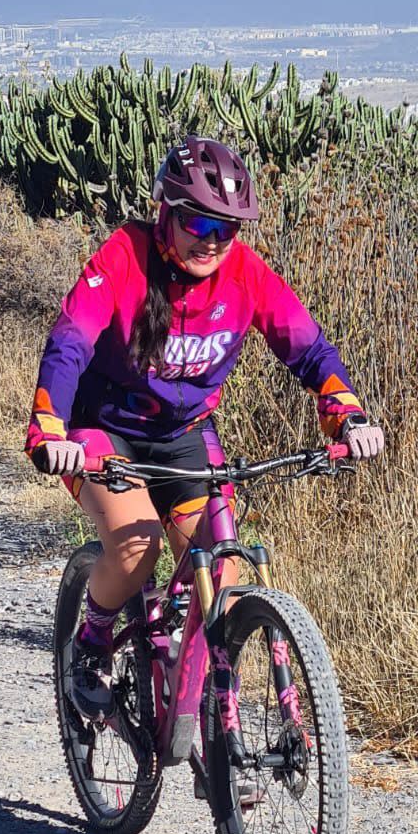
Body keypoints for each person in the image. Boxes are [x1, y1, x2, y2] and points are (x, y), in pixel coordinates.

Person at [27, 136, 384, 721]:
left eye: (227, 227)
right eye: (197, 220)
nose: (212, 240)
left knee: (222, 566)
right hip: (103, 428)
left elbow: (308, 348)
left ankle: (215, 729)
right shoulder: (123, 257)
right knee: (136, 545)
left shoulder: (244, 273)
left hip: (185, 430)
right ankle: (90, 646)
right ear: (167, 210)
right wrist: (50, 427)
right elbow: (69, 344)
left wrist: (346, 412)